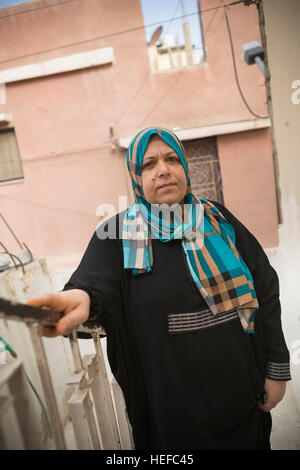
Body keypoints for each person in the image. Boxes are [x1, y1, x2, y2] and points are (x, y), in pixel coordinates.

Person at [27, 127, 291, 450]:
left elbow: (265, 286)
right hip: (173, 425)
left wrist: (276, 371)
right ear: (136, 177)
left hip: (244, 407)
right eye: (149, 164)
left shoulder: (219, 220)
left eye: (171, 159)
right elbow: (93, 284)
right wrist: (80, 298)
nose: (163, 169)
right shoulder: (116, 235)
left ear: (184, 167)